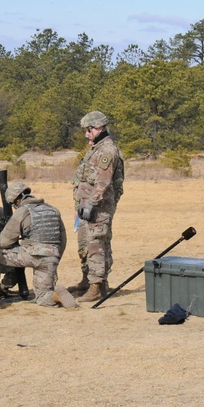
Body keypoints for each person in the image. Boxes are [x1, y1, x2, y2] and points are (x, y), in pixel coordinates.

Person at [0, 181, 75, 308]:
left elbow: (4, 242)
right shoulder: (53, 209)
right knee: (42, 296)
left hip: (31, 254)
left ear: (16, 200)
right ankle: (56, 296)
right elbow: (63, 239)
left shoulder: (23, 211)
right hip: (52, 257)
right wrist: (55, 259)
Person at [70, 110, 125, 303]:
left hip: (97, 208)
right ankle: (87, 280)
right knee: (85, 244)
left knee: (97, 246)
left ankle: (97, 286)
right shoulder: (96, 148)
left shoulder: (106, 151)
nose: (87, 134)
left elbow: (103, 183)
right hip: (86, 207)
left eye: (89, 130)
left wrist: (91, 204)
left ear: (100, 128)